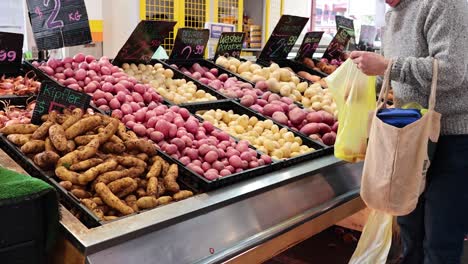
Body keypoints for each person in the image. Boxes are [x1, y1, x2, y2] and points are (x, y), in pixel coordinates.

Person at [349, 0, 468, 263]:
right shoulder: (394, 14)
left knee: (441, 240)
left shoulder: (443, 4)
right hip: (408, 135)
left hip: (452, 138)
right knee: (409, 231)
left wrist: (387, 66)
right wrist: (363, 82)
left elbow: (451, 71)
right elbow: (394, 71)